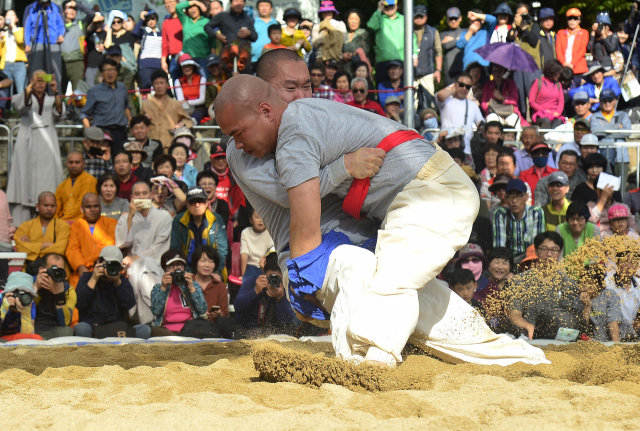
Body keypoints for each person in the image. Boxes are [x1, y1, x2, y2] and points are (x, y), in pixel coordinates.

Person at [217, 74, 547, 367]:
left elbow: (302, 214)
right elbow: (293, 192)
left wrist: (301, 286)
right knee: (415, 300)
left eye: (238, 132)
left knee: (388, 287)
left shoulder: (293, 131)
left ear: (265, 110)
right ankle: (518, 358)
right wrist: (341, 168)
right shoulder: (300, 119)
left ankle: (375, 362)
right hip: (421, 196)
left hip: (429, 193)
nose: (238, 144)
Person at [7, 71, 64, 225]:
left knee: (49, 181)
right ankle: (21, 226)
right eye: (36, 79)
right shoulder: (25, 96)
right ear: (30, 80)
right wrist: (30, 86)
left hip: (47, 145)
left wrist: (56, 91)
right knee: (23, 184)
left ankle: (48, 222)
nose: (40, 83)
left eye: (43, 80)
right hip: (27, 144)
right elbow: (20, 106)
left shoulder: (51, 99)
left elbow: (60, 112)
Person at [115, 181, 173, 324]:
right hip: (131, 266)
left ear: (151, 195)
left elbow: (159, 246)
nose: (141, 197)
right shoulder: (125, 217)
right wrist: (130, 216)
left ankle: (139, 317)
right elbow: (121, 243)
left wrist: (136, 257)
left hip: (155, 263)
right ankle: (153, 318)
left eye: (145, 193)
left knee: (146, 264)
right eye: (137, 194)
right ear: (131, 197)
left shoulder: (164, 217)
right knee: (140, 267)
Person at [508, 231, 580, 339]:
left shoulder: (568, 282)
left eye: (554, 250)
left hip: (560, 339)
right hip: (528, 337)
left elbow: (573, 316)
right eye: (544, 249)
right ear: (536, 251)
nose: (549, 254)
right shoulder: (521, 280)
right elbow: (514, 314)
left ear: (559, 253)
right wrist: (528, 326)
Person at [74, 246, 151, 339]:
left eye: (115, 266)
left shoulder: (121, 280)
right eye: (109, 264)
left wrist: (117, 282)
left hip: (117, 329)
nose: (111, 268)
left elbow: (129, 304)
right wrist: (94, 279)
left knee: (144, 330)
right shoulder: (87, 278)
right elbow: (79, 304)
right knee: (80, 329)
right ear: (99, 263)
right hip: (94, 328)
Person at [150, 249, 219, 338]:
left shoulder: (193, 285)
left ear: (184, 268)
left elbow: (202, 310)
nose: (176, 268)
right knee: (155, 331)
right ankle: (179, 340)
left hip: (190, 329)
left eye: (179, 265)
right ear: (164, 269)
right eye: (171, 266)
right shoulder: (158, 287)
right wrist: (163, 287)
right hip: (167, 331)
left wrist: (192, 289)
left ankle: (178, 340)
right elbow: (156, 311)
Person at [233, 251, 298, 335]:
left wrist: (280, 298)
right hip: (248, 328)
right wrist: (255, 291)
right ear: (264, 273)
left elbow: (286, 321)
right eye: (270, 277)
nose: (273, 281)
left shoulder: (285, 288)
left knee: (290, 328)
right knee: (224, 322)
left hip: (272, 331)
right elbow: (237, 307)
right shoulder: (253, 281)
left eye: (277, 278)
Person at [170, 186, 228, 270]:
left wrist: (216, 272)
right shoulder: (178, 221)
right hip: (186, 269)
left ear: (207, 203)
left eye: (200, 201)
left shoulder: (216, 219)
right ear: (187, 204)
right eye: (193, 202)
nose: (197, 205)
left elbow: (222, 251)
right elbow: (175, 250)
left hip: (212, 268)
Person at [81, 58, 131, 154]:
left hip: (120, 132)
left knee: (121, 162)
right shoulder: (94, 91)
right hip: (102, 133)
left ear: (117, 72)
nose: (110, 73)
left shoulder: (122, 87)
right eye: (106, 70)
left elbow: (125, 106)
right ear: (101, 73)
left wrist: (130, 118)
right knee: (102, 162)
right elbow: (84, 114)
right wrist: (89, 133)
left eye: (112, 70)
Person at [66, 193, 117, 287]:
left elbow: (111, 247)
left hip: (106, 270)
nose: (92, 210)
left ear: (100, 207)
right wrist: (80, 266)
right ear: (82, 209)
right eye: (88, 207)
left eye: (95, 206)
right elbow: (72, 250)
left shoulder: (111, 223)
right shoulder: (76, 226)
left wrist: (100, 267)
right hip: (83, 271)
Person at [140, 69, 193, 150]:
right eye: (156, 83)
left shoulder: (176, 104)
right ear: (153, 86)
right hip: (151, 145)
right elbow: (139, 123)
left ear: (167, 85)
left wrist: (180, 125)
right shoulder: (146, 104)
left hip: (169, 144)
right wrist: (144, 118)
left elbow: (188, 120)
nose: (159, 86)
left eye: (162, 83)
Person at [14, 192, 70, 267]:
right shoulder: (25, 226)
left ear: (56, 207)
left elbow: (60, 249)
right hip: (31, 270)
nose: (49, 208)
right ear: (38, 206)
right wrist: (45, 244)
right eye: (46, 205)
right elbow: (20, 248)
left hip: (56, 270)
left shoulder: (63, 226)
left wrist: (31, 247)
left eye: (52, 206)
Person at [367, 0, 417, 84]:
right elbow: (371, 25)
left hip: (401, 60)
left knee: (403, 89)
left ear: (396, 5)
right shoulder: (380, 18)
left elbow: (412, 38)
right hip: (383, 61)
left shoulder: (404, 19)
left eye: (392, 6)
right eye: (386, 6)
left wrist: (414, 55)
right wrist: (379, 9)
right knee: (382, 89)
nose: (389, 8)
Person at [493, 179, 545, 258]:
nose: (514, 201)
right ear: (506, 198)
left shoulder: (536, 212)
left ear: (527, 197)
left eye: (518, 196)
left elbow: (537, 246)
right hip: (508, 260)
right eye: (510, 197)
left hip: (530, 259)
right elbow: (499, 248)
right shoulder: (500, 214)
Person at [436, 73, 484, 154]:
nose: (464, 88)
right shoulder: (446, 101)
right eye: (461, 85)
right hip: (447, 149)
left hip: (466, 150)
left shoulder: (472, 104)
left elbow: (480, 123)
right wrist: (454, 89)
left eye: (468, 87)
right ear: (455, 84)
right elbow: (440, 95)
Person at [32, 253, 76, 339]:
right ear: (42, 270)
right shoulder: (31, 282)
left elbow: (65, 322)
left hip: (56, 329)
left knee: (66, 331)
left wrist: (59, 295)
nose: (56, 273)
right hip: (35, 327)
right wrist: (36, 287)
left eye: (60, 270)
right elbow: (25, 312)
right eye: (53, 269)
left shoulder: (69, 290)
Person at [572, 264, 620, 342]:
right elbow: (582, 328)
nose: (585, 287)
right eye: (582, 283)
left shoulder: (609, 295)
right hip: (595, 341)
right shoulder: (578, 300)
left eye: (590, 284)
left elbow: (613, 321)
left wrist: (616, 344)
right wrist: (587, 306)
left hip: (615, 338)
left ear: (600, 285)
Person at [590, 88, 631, 179]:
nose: (607, 103)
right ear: (600, 102)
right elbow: (595, 132)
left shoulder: (623, 115)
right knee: (604, 188)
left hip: (621, 157)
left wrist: (604, 133)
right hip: (603, 157)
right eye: (604, 100)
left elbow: (627, 132)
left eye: (610, 100)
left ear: (615, 100)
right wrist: (616, 127)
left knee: (621, 190)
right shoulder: (595, 117)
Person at [24, 0, 65, 85]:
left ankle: (53, 93)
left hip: (53, 44)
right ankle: (38, 94)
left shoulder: (56, 7)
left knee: (54, 73)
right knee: (37, 72)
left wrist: (61, 35)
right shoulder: (31, 8)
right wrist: (27, 44)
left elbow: (61, 24)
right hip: (37, 44)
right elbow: (27, 28)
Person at [206, 0, 257, 67]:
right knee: (228, 76)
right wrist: (217, 35)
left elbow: (255, 37)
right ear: (231, 3)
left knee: (244, 76)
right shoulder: (222, 16)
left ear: (244, 3)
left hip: (244, 58)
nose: (238, 4)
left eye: (241, 1)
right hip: (227, 56)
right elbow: (207, 27)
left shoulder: (248, 19)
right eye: (236, 1)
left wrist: (249, 33)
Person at [60, 0, 95, 92]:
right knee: (60, 91)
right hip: (61, 63)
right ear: (63, 11)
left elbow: (92, 14)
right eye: (69, 8)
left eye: (74, 9)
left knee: (78, 92)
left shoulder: (80, 24)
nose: (72, 11)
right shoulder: (58, 26)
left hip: (77, 62)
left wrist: (77, 5)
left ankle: (77, 107)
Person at [605, 251, 640, 341]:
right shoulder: (607, 284)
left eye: (632, 262)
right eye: (625, 262)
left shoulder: (639, 284)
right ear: (617, 263)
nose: (628, 266)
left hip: (634, 333)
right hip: (610, 333)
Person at [54, 152, 98, 222]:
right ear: (66, 164)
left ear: (83, 164)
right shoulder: (62, 185)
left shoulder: (90, 180)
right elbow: (55, 206)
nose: (73, 165)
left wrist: (63, 220)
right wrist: (55, 221)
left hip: (81, 222)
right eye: (70, 162)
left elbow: (82, 205)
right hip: (62, 222)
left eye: (77, 162)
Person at [480, 63, 527, 127]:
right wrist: (497, 114)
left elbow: (515, 100)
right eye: (495, 71)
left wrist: (502, 98)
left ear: (503, 72)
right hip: (493, 113)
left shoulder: (511, 83)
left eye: (499, 71)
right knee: (492, 118)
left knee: (513, 119)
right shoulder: (487, 85)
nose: (497, 74)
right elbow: (483, 103)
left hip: (510, 112)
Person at [413, 5, 442, 101]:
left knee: (429, 100)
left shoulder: (432, 32)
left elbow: (438, 51)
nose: (418, 19)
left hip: (428, 73)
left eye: (421, 16)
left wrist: (438, 70)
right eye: (416, 16)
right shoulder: (407, 31)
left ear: (426, 17)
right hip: (411, 74)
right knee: (412, 102)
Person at [175, 0, 211, 73]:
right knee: (189, 83)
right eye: (189, 8)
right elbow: (177, 7)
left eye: (194, 7)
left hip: (203, 57)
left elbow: (212, 40)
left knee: (204, 82)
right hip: (187, 58)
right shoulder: (185, 20)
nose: (192, 9)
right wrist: (195, 2)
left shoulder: (206, 21)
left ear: (199, 8)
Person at [1, 272, 39, 341]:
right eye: (16, 294)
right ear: (8, 293)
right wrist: (3, 310)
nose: (20, 299)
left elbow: (28, 338)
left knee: (37, 338)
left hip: (17, 339)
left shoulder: (29, 303)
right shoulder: (1, 300)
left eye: (25, 295)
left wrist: (26, 315)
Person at [529, 60, 565, 129]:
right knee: (546, 121)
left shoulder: (558, 84)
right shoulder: (538, 82)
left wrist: (558, 112)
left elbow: (561, 102)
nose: (559, 75)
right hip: (540, 113)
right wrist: (544, 110)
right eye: (558, 73)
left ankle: (553, 139)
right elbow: (531, 101)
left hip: (555, 114)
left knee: (558, 122)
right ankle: (544, 139)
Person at [132, 10, 162, 92]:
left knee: (160, 89)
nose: (151, 21)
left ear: (156, 19)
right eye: (147, 19)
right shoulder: (143, 31)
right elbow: (134, 32)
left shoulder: (161, 33)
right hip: (145, 64)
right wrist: (141, 19)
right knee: (146, 89)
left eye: (152, 18)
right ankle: (146, 105)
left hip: (159, 64)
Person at [174, 53, 207, 124]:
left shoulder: (202, 79)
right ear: (181, 69)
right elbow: (181, 101)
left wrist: (188, 102)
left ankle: (190, 123)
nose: (187, 68)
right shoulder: (178, 81)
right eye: (184, 66)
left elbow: (202, 100)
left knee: (198, 114)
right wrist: (186, 103)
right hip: (184, 108)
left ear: (193, 66)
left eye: (189, 66)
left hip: (199, 108)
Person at [0, 10, 27, 97]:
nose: (10, 17)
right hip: (6, 64)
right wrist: (1, 40)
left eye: (12, 15)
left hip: (19, 65)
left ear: (16, 19)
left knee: (21, 91)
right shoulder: (4, 33)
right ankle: (9, 110)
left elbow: (20, 40)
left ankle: (22, 110)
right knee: (8, 92)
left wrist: (13, 26)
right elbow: (0, 53)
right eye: (8, 15)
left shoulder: (21, 30)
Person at [241, 207, 274, 278]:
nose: (260, 220)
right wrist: (243, 275)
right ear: (251, 220)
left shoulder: (270, 233)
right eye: (257, 217)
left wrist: (264, 268)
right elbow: (244, 254)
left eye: (263, 217)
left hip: (265, 265)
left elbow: (270, 252)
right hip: (251, 266)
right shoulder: (245, 232)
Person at [556, 8, 589, 75]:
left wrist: (572, 63)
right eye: (570, 18)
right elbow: (558, 50)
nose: (572, 21)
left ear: (579, 20)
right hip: (563, 68)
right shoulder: (560, 33)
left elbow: (582, 50)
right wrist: (564, 63)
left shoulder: (584, 32)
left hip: (579, 68)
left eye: (575, 18)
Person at [342, 9, 370, 78]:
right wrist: (342, 55)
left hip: (359, 69)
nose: (353, 21)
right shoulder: (343, 35)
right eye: (351, 19)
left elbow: (365, 50)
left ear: (360, 21)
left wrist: (351, 54)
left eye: (356, 19)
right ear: (347, 20)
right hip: (345, 69)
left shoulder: (363, 33)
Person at [441, 7, 465, 86]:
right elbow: (446, 45)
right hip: (449, 72)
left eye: (456, 18)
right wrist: (460, 39)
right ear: (447, 20)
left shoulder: (466, 31)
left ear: (460, 18)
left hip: (464, 70)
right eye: (451, 19)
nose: (453, 21)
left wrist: (453, 40)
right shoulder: (443, 34)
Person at [251, 0, 278, 68]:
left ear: (271, 9)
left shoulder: (276, 24)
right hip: (254, 60)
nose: (264, 8)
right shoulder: (252, 23)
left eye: (266, 6)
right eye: (261, 6)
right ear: (257, 9)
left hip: (273, 60)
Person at [161, 0, 183, 80]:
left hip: (186, 56)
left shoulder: (185, 18)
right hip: (173, 59)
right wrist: (163, 61)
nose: (169, 5)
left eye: (171, 1)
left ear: (178, 2)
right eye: (166, 3)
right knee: (176, 84)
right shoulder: (166, 22)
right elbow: (165, 44)